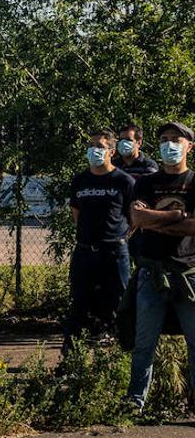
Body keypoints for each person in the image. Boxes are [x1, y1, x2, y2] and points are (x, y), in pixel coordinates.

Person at [124, 121, 195, 412]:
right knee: (144, 343)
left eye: (176, 139)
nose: (170, 145)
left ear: (189, 145)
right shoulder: (145, 183)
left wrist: (156, 221)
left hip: (188, 274)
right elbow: (137, 220)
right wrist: (176, 216)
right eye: (164, 139)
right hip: (151, 272)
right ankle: (134, 401)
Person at [64, 129, 134, 353]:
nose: (94, 150)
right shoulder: (80, 180)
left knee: (120, 303)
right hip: (85, 252)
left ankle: (122, 356)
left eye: (100, 146)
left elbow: (134, 219)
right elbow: (76, 212)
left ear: (112, 152)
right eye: (91, 145)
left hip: (114, 253)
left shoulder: (124, 181)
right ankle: (71, 356)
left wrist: (118, 238)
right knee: (79, 303)